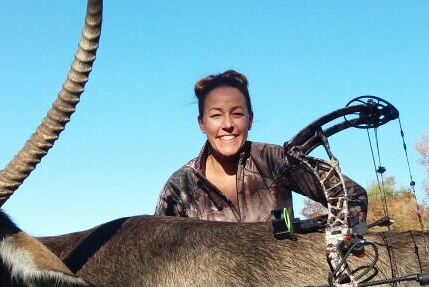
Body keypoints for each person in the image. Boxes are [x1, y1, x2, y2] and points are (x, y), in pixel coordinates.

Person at [155, 69, 367, 223]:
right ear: (202, 123)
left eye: (237, 114)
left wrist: (318, 243)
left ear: (250, 119)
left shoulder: (275, 160)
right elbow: (155, 253)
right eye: (216, 115)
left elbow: (351, 195)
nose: (228, 125)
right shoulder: (179, 187)